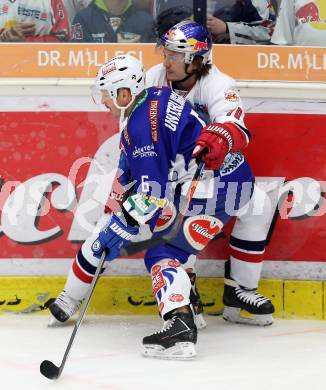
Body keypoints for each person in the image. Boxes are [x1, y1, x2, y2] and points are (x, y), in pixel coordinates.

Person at [50, 52, 255, 359]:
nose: (102, 102)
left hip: (216, 186)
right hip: (228, 179)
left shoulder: (142, 127)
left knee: (163, 252)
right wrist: (115, 211)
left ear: (123, 94)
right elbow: (133, 166)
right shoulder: (152, 98)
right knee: (172, 235)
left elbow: (151, 195)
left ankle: (180, 327)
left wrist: (120, 226)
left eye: (105, 94)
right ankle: (190, 308)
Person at [146, 20, 275, 325]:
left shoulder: (218, 83)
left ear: (197, 59)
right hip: (168, 177)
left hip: (212, 174)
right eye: (166, 53)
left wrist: (220, 135)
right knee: (184, 217)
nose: (167, 62)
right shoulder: (153, 78)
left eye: (175, 56)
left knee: (258, 204)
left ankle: (239, 290)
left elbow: (236, 126)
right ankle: (185, 283)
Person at [70, 0, 155, 42]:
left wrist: (138, 49)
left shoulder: (145, 20)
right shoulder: (83, 18)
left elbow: (152, 62)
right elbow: (76, 59)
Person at [207, 0, 277, 44]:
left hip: (249, 58)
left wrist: (227, 28)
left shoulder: (258, 2)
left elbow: (268, 32)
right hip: (210, 54)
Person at [0, 0, 70, 42]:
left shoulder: (53, 1)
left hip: (36, 61)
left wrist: (26, 42)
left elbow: (63, 39)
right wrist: (4, 36)